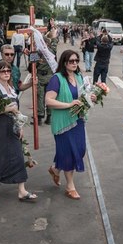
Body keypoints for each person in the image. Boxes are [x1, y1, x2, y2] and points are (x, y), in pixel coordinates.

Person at [0, 61, 37, 202]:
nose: (6, 73)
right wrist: (9, 109)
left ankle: (21, 190)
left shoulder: (11, 88)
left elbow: (16, 110)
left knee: (18, 155)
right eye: (3, 71)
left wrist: (20, 126)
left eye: (8, 71)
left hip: (12, 126)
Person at [45, 50, 92, 200]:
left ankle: (55, 168)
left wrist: (91, 97)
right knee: (69, 152)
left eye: (76, 60)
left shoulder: (78, 77)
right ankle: (70, 186)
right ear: (64, 62)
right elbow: (48, 101)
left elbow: (83, 96)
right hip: (63, 123)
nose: (74, 63)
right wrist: (68, 104)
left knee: (80, 149)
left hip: (77, 120)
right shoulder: (56, 79)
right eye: (71, 61)